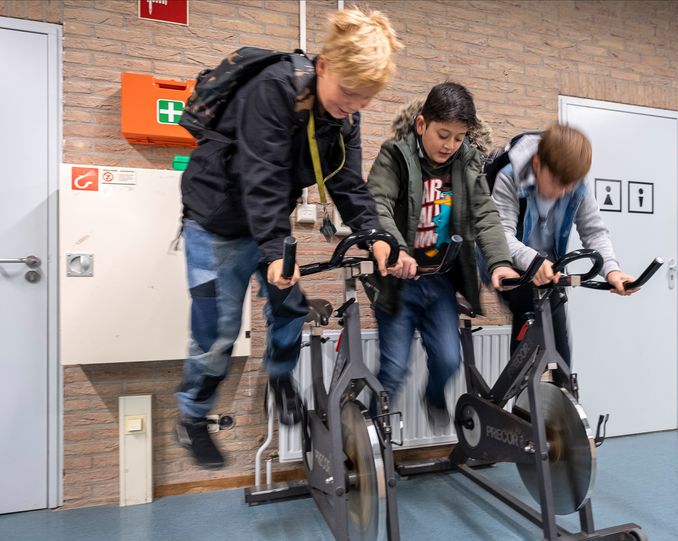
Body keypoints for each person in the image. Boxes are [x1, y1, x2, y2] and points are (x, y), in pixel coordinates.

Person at [176, 7, 402, 468]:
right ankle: (192, 416)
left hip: (265, 221)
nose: (354, 105)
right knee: (217, 333)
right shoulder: (274, 89)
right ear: (323, 66)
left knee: (290, 308)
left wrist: (375, 235)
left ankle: (279, 379)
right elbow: (262, 176)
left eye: (365, 99)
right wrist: (278, 251)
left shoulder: (345, 116)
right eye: (348, 92)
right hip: (216, 220)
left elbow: (347, 183)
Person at [366, 82, 518, 430]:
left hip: (440, 281)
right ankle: (373, 438)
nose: (449, 145)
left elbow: (485, 215)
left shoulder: (467, 163)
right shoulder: (395, 155)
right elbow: (379, 202)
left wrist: (499, 263)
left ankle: (434, 395)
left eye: (458, 137)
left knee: (450, 360)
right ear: (422, 125)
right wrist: (397, 250)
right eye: (443, 134)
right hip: (399, 284)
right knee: (393, 368)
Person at [490, 124, 636, 366]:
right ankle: (522, 391)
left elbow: (594, 232)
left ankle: (563, 386)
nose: (564, 192)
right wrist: (533, 262)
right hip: (507, 261)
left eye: (570, 185)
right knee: (526, 303)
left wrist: (612, 270)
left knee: (557, 319)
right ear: (537, 164)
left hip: (550, 267)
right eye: (558, 183)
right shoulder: (509, 177)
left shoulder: (575, 185)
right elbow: (501, 235)